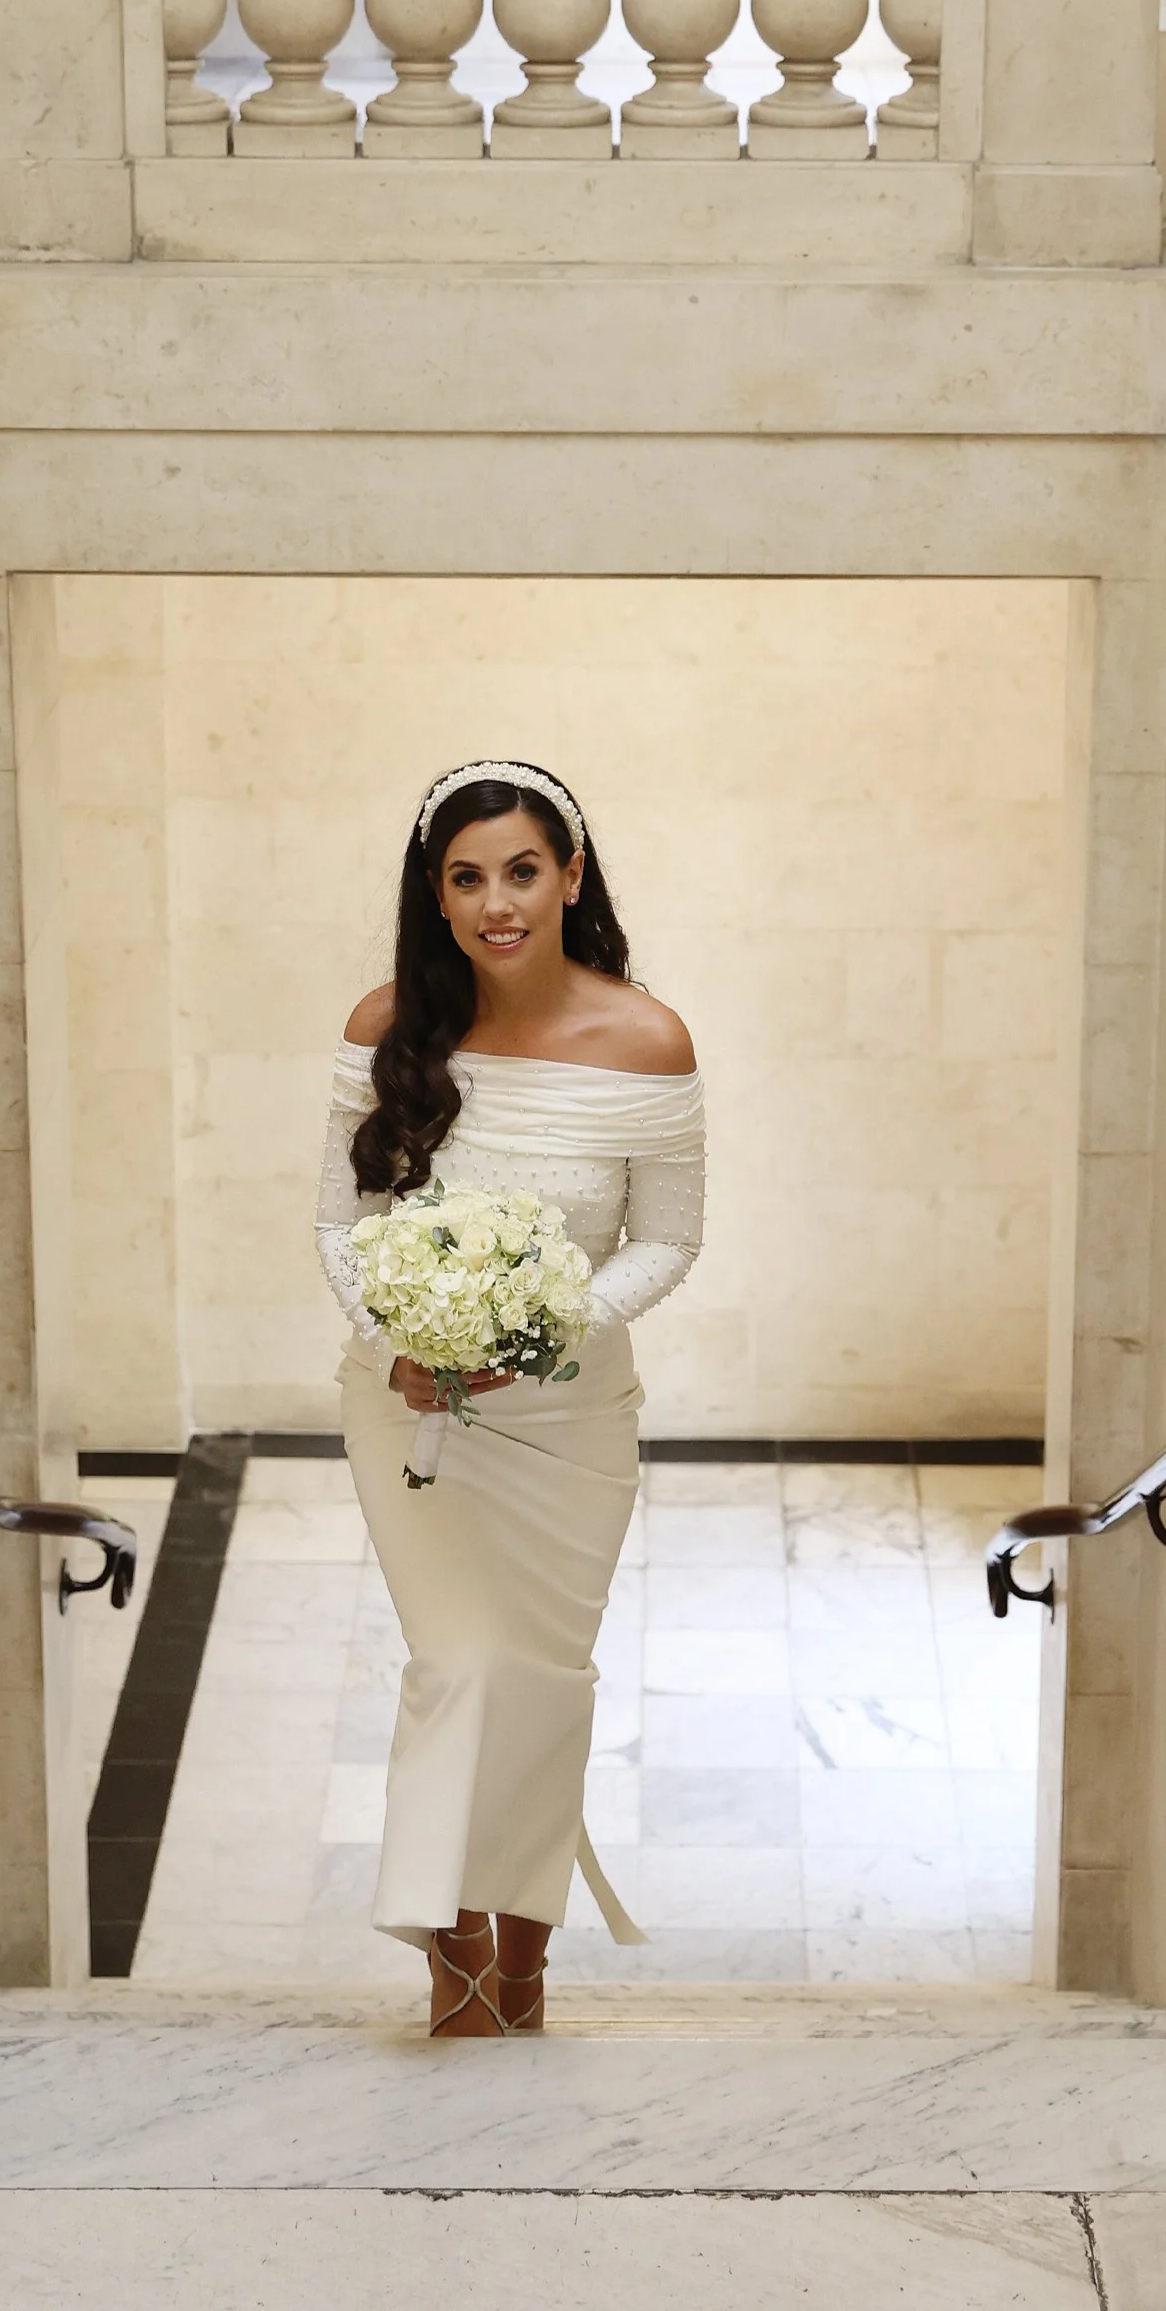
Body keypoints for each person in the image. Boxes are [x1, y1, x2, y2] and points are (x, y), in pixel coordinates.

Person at [314, 761, 705, 2037]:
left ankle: (521, 1959)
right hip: (408, 1403)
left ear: (571, 877)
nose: (498, 903)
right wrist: (406, 1334)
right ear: (435, 894)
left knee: (543, 1673)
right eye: (467, 877)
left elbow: (667, 1242)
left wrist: (539, 1329)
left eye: (522, 872)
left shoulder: (649, 1041)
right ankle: (451, 1937)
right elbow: (342, 1223)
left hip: (572, 1421)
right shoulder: (386, 1028)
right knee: (460, 1661)